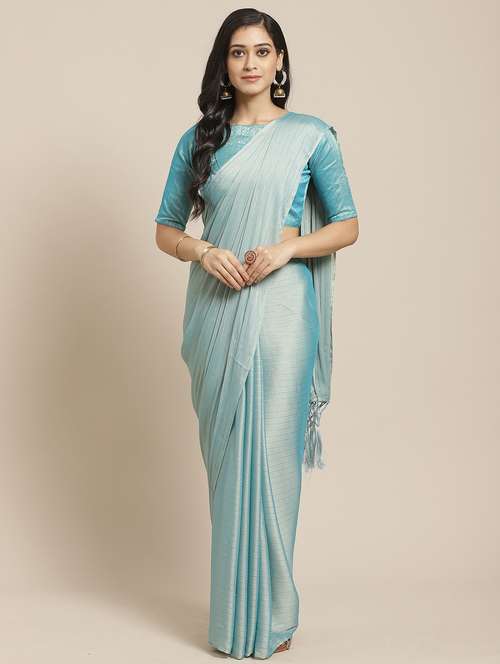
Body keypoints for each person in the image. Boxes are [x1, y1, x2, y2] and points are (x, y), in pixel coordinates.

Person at [154, 8, 359, 660]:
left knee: (272, 464)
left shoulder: (310, 136)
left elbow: (348, 224)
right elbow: (165, 228)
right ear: (224, 63)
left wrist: (286, 250)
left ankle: (274, 615)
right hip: (216, 308)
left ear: (280, 61)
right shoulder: (199, 141)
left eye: (262, 51)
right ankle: (233, 620)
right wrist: (202, 251)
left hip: (282, 310)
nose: (250, 63)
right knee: (229, 468)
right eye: (238, 52)